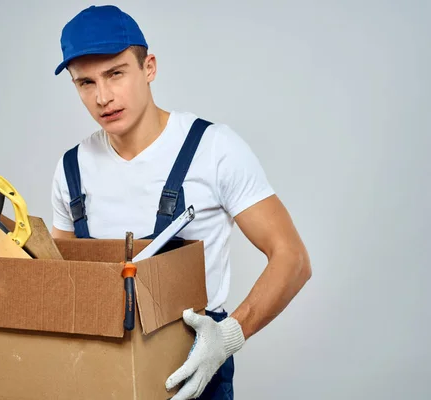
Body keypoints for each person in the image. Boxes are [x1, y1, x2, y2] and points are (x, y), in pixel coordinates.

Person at [50, 5, 311, 400]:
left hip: (193, 372)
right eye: (85, 83)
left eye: (115, 74)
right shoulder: (72, 168)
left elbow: (292, 258)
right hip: (98, 376)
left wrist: (228, 336)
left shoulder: (214, 148)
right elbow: (63, 282)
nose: (103, 97)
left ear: (149, 67)